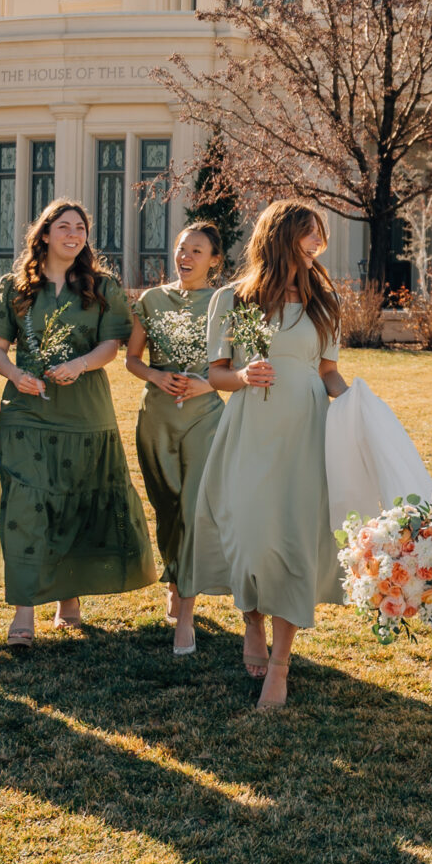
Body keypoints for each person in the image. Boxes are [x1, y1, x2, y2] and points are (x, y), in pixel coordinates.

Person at [194, 202, 348, 712]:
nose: (316, 246)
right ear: (281, 239)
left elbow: (326, 371)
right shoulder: (233, 299)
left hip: (306, 428)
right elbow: (215, 374)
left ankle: (280, 666)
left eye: (319, 238)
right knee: (252, 537)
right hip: (251, 427)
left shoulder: (324, 300)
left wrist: (353, 406)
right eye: (309, 236)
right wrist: (241, 377)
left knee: (292, 540)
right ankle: (252, 619)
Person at [0, 200, 155, 645]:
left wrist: (79, 364)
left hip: (85, 412)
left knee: (76, 500)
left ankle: (69, 597)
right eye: (64, 226)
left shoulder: (102, 286)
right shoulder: (14, 287)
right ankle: (24, 610)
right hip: (27, 413)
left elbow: (111, 347)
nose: (74, 234)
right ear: (43, 235)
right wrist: (16, 374)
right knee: (26, 507)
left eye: (81, 227)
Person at [124, 223, 227, 656]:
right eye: (181, 248)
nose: (185, 256)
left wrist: (207, 384)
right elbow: (131, 358)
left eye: (197, 250)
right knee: (165, 507)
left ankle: (185, 612)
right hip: (156, 418)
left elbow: (238, 364)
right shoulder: (151, 300)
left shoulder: (227, 302)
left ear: (214, 260)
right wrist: (155, 375)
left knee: (191, 509)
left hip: (205, 417)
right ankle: (174, 573)